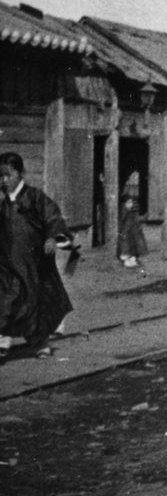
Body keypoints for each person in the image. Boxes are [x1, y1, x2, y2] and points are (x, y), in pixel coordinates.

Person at [0, 152, 74, 362]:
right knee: (5, 299)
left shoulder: (34, 196)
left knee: (31, 302)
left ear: (21, 173)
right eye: (1, 176)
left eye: (9, 175)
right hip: (6, 261)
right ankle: (3, 341)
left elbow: (53, 217)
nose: (5, 181)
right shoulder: (2, 200)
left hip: (30, 262)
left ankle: (41, 342)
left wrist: (52, 238)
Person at [116, 193, 147, 269]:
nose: (131, 204)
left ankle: (133, 259)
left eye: (131, 203)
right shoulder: (124, 212)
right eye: (129, 203)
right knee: (126, 246)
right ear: (124, 204)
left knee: (133, 246)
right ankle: (127, 261)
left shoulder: (132, 212)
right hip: (126, 233)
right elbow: (123, 224)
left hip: (132, 232)